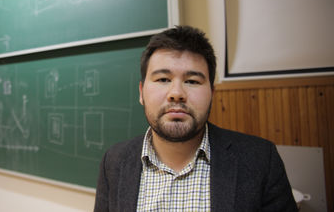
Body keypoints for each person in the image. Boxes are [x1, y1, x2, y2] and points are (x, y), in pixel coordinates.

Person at [94, 26, 297, 212]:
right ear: (141, 92)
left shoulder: (261, 160)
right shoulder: (114, 161)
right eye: (163, 79)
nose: (176, 93)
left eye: (192, 81)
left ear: (212, 93)